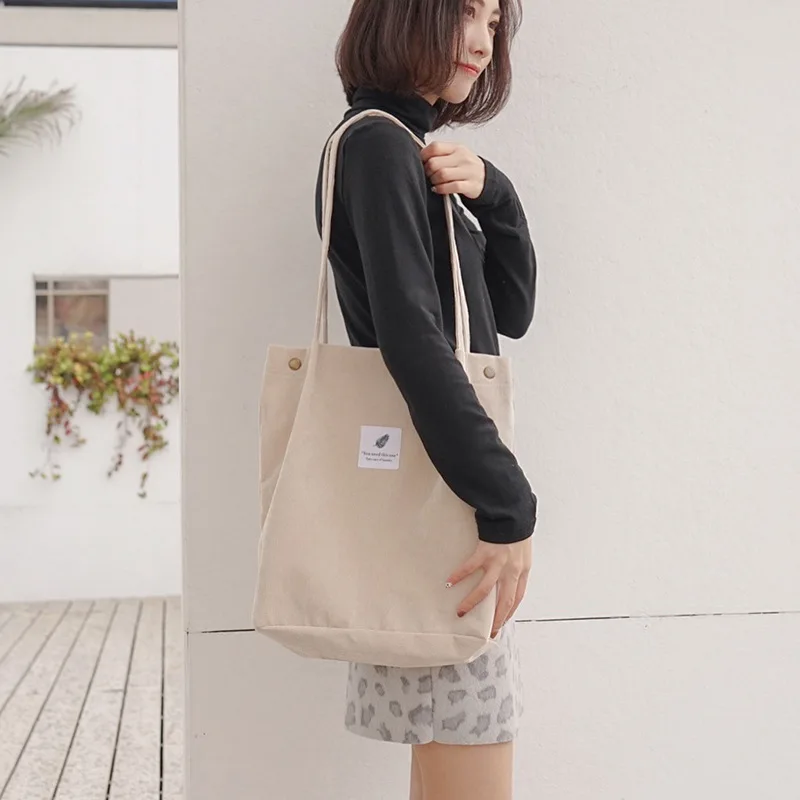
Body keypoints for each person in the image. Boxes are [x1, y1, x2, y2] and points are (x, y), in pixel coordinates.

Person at [315, 0, 537, 797]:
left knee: (454, 754)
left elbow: (509, 312)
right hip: (445, 508)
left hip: (444, 494)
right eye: (465, 14)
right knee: (471, 749)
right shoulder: (377, 144)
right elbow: (414, 345)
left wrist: (495, 196)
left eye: (493, 22)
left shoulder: (407, 150)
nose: (482, 41)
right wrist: (508, 506)